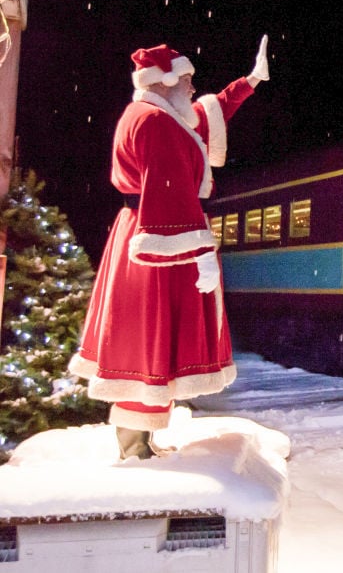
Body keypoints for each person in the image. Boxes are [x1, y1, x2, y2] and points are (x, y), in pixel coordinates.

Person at [69, 36, 270, 459]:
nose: (194, 89)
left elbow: (204, 114)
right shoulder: (155, 124)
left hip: (141, 232)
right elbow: (170, 191)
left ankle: (139, 440)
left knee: (145, 336)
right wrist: (199, 253)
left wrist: (249, 81)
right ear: (164, 81)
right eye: (188, 81)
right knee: (147, 336)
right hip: (157, 239)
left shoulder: (154, 114)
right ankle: (134, 448)